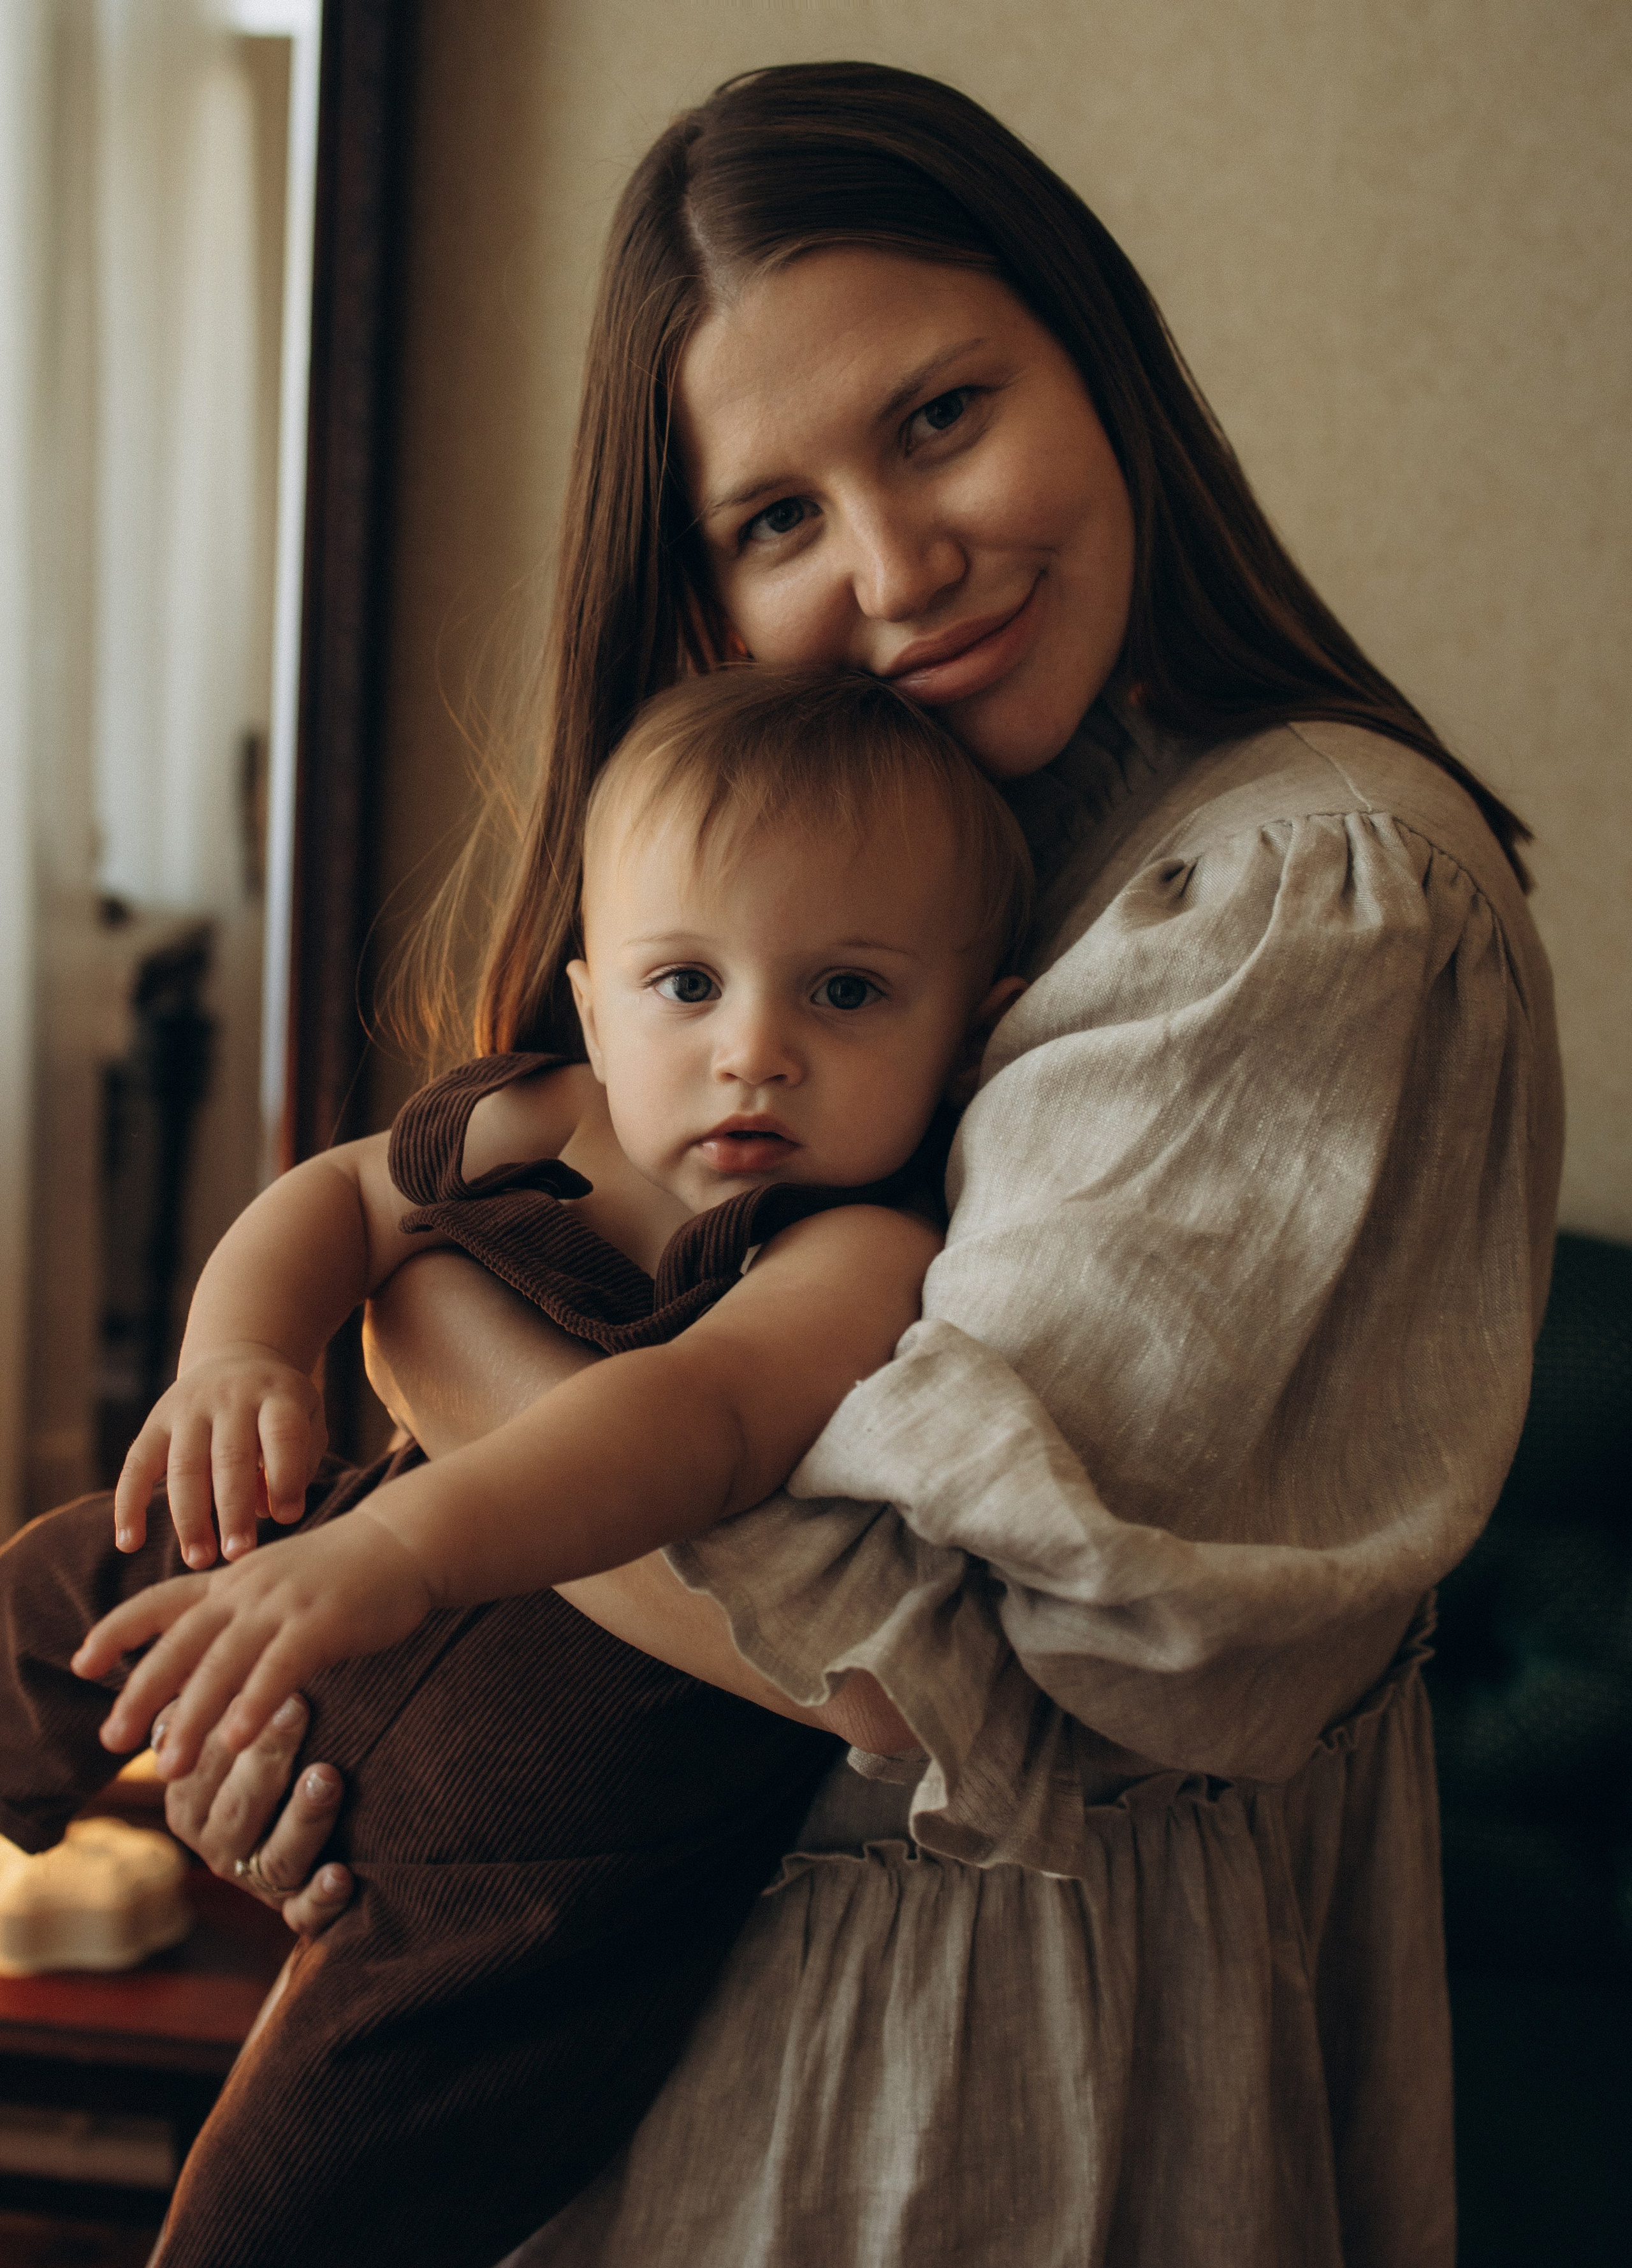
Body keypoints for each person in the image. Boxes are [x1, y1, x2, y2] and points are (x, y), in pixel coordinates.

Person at [106, 60, 1561, 2268]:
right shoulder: (841, 904)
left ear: (1100, 354)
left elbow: (924, 1651)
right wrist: (323, 1743)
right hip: (591, 2032)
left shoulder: (1303, 887)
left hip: (944, 2086)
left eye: (940, 414)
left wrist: (427, 1347)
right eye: (772, 520)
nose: (895, 564)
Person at [1, 667, 1030, 2267]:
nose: (751, 1051)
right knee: (67, 1571)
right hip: (318, 1581)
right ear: (594, 996)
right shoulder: (547, 1117)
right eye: (684, 983)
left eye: (845, 994)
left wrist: (401, 1552)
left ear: (967, 1021)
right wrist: (239, 1361)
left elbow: (697, 1420)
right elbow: (337, 1201)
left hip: (549, 1861)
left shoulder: (863, 1250)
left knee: (280, 2210)